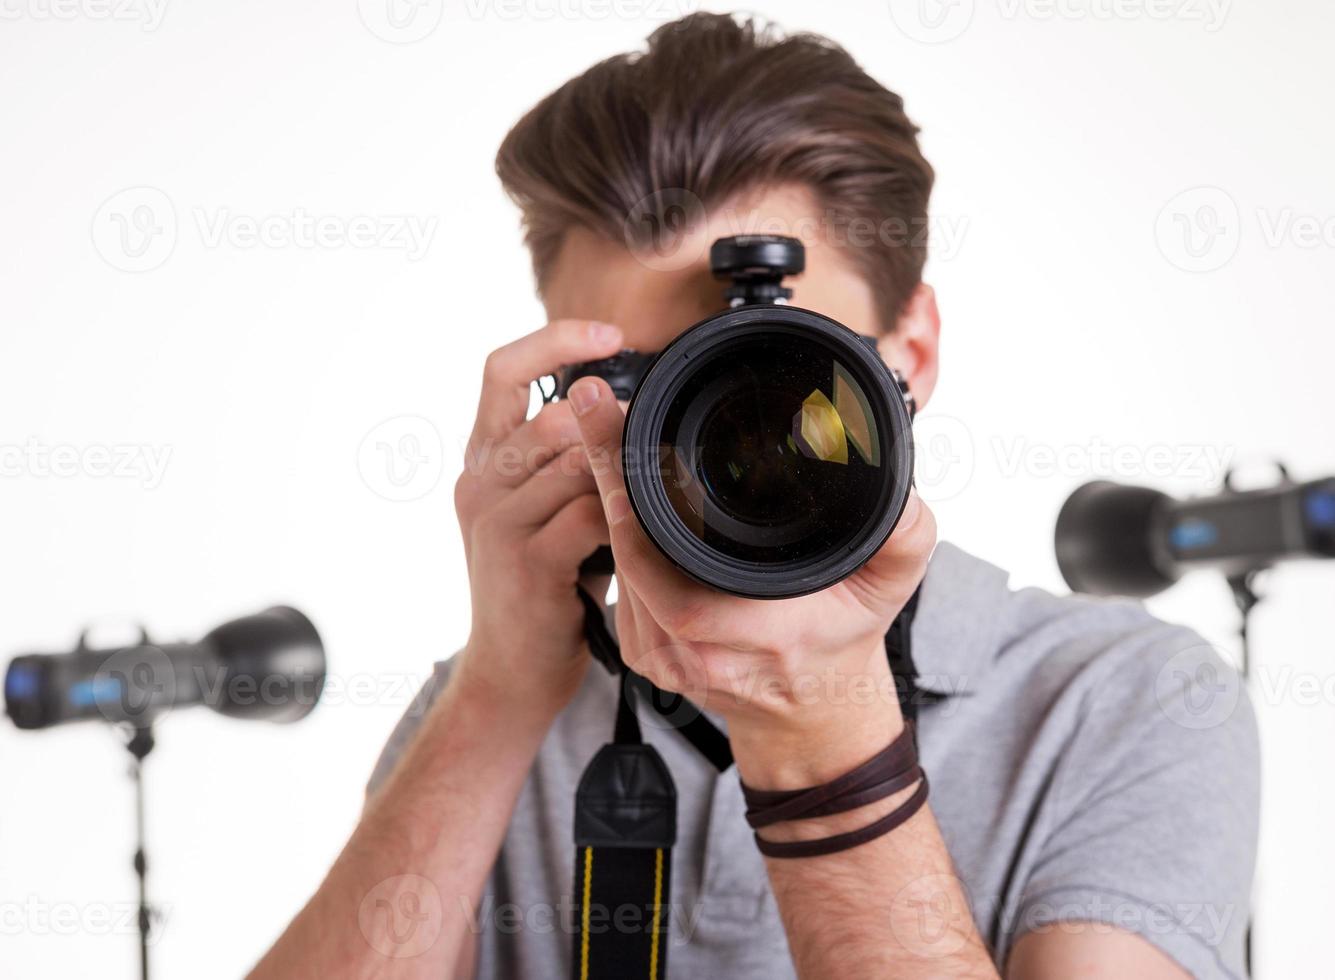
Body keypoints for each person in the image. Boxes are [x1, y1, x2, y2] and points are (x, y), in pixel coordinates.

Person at [249, 13, 1257, 979]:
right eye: (646, 387)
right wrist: (498, 687)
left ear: (911, 354)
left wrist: (822, 729)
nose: (722, 433)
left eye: (770, 370)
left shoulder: (1120, 697)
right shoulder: (496, 703)